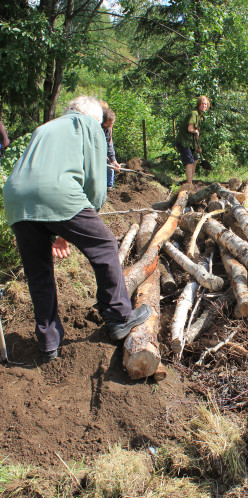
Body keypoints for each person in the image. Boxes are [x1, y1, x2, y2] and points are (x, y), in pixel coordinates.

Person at [2, 96, 152, 362]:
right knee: (105, 245)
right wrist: (87, 213)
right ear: (93, 117)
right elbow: (94, 182)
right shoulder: (91, 126)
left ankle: (49, 344)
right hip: (58, 194)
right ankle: (119, 316)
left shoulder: (45, 127)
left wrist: (60, 231)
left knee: (39, 273)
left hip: (16, 200)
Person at [175, 95, 210, 185]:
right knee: (189, 162)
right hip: (184, 141)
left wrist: (198, 147)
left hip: (191, 142)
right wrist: (195, 131)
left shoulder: (200, 116)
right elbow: (190, 129)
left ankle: (190, 181)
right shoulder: (194, 114)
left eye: (205, 104)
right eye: (202, 104)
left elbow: (196, 134)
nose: (204, 106)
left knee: (195, 160)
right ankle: (189, 185)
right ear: (199, 105)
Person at [101, 107, 121, 189]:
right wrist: (101, 155)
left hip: (102, 150)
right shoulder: (95, 128)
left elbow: (108, 144)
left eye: (112, 124)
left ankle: (109, 188)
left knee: (110, 165)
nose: (110, 126)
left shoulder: (108, 129)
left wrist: (113, 160)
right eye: (109, 124)